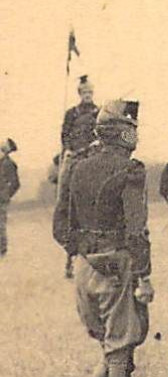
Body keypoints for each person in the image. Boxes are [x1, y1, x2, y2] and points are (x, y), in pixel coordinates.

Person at [52, 99, 152, 377]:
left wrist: (87, 252)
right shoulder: (131, 171)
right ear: (123, 131)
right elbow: (136, 230)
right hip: (118, 267)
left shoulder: (76, 165)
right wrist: (142, 274)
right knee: (121, 356)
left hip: (85, 268)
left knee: (108, 355)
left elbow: (60, 226)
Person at [58, 75, 100, 278]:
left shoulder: (98, 112)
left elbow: (103, 134)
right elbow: (64, 136)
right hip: (75, 157)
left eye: (90, 93)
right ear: (79, 94)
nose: (88, 96)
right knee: (67, 205)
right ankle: (70, 258)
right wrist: (70, 149)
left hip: (93, 156)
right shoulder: (71, 114)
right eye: (84, 93)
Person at [0, 138, 18, 257]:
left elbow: (15, 183)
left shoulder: (8, 164)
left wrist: (6, 195)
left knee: (0, 223)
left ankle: (2, 248)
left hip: (1, 198)